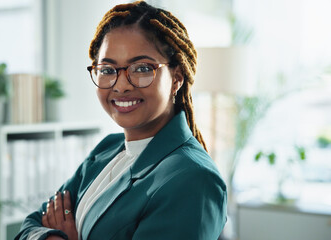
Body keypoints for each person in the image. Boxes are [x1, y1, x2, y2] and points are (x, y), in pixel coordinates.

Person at [15, 1, 227, 239]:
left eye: (141, 68)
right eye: (107, 70)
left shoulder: (193, 179)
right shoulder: (107, 149)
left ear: (176, 78)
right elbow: (31, 224)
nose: (122, 85)